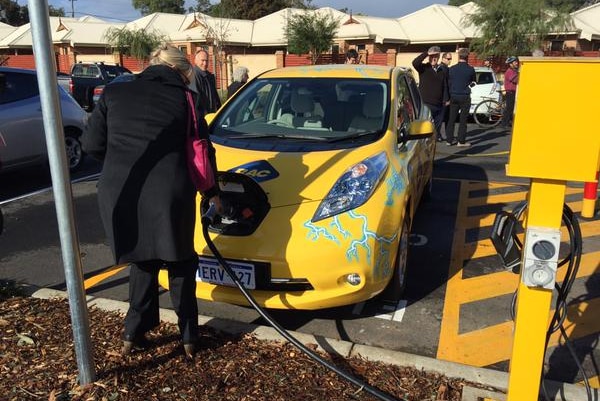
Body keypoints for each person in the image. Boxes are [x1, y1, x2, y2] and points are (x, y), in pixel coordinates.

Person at [82, 44, 221, 359]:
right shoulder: (186, 99)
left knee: (143, 258)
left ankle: (134, 332)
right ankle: (188, 337)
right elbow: (202, 150)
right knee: (180, 260)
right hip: (170, 192)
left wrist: (121, 163)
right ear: (180, 71)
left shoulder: (115, 94)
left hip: (121, 189)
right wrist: (213, 193)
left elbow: (91, 144)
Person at [412, 46, 449, 142]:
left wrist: (446, 99)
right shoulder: (424, 68)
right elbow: (415, 62)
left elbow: (444, 86)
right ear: (429, 57)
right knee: (426, 126)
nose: (434, 58)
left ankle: (434, 142)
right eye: (433, 56)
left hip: (439, 104)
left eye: (436, 56)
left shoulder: (442, 71)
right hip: (426, 103)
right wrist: (427, 53)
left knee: (436, 128)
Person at [446, 47, 476, 147]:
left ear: (459, 56)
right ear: (467, 57)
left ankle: (449, 140)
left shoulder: (452, 69)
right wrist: (468, 86)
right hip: (465, 95)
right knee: (463, 120)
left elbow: (448, 82)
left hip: (453, 95)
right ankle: (461, 141)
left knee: (451, 119)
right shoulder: (470, 69)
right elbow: (474, 82)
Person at [191, 48, 222, 114]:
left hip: (212, 116)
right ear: (195, 61)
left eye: (207, 61)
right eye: (202, 60)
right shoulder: (193, 76)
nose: (205, 63)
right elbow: (196, 101)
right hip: (203, 118)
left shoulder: (209, 76)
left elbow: (215, 97)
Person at [500, 56, 519, 129]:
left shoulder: (514, 70)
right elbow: (515, 80)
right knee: (509, 108)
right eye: (515, 62)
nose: (516, 63)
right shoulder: (510, 71)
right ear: (511, 64)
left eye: (516, 61)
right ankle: (504, 124)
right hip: (510, 92)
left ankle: (508, 122)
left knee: (511, 108)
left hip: (513, 91)